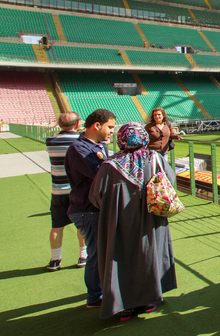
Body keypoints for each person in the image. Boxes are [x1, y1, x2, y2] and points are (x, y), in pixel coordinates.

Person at [89, 123, 178, 321]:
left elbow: (96, 196)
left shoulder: (109, 165)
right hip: (151, 219)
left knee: (120, 258)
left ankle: (123, 305)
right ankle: (149, 299)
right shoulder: (155, 159)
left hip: (118, 223)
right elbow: (171, 182)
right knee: (149, 255)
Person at [65, 108, 116, 309]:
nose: (112, 131)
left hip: (94, 207)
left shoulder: (96, 145)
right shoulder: (79, 148)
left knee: (100, 251)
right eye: (110, 127)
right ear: (97, 125)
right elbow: (102, 173)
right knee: (96, 253)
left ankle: (100, 290)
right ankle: (95, 296)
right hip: (87, 208)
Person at [45, 112, 86, 271]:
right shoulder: (81, 141)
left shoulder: (50, 141)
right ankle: (83, 256)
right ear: (77, 125)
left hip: (58, 191)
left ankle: (55, 260)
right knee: (82, 225)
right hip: (77, 190)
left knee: (56, 226)